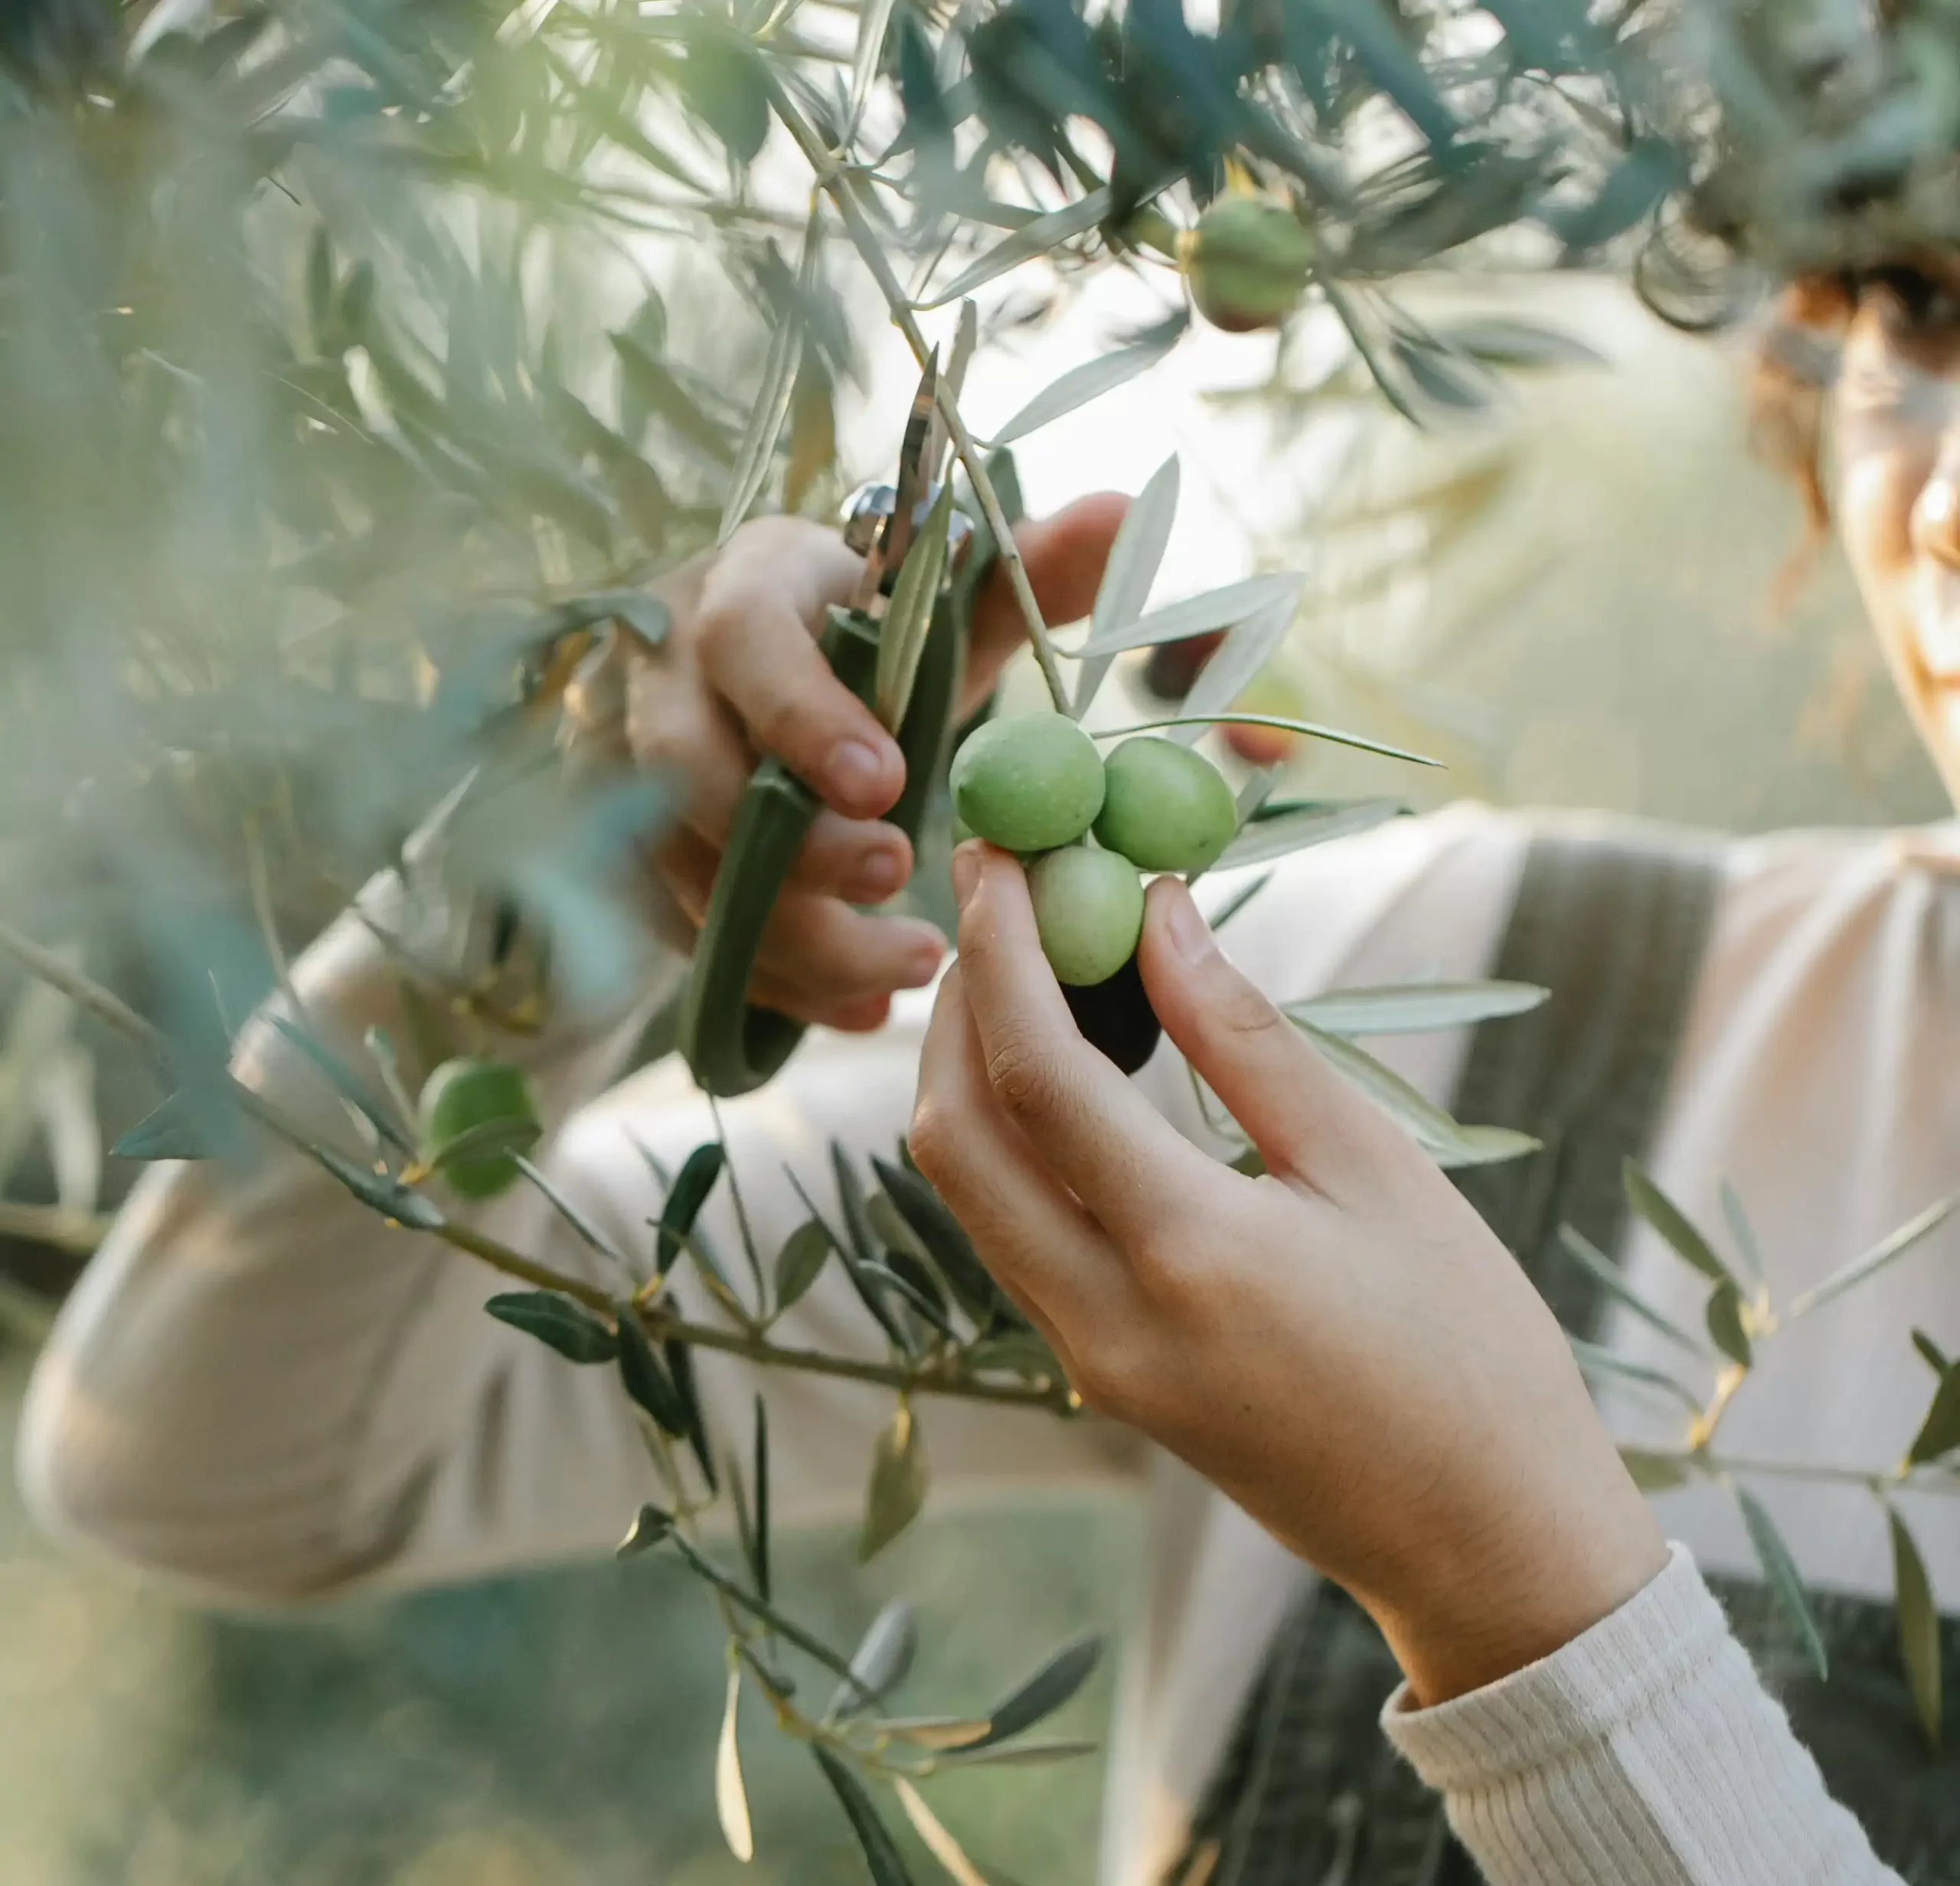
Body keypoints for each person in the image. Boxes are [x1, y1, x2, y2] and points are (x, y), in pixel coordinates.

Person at [16, 257, 1960, 1886]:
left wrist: (1519, 1598)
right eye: (1921, 303)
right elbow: (207, 1473)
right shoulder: (1451, 1001)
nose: (1942, 490)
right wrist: (556, 897)